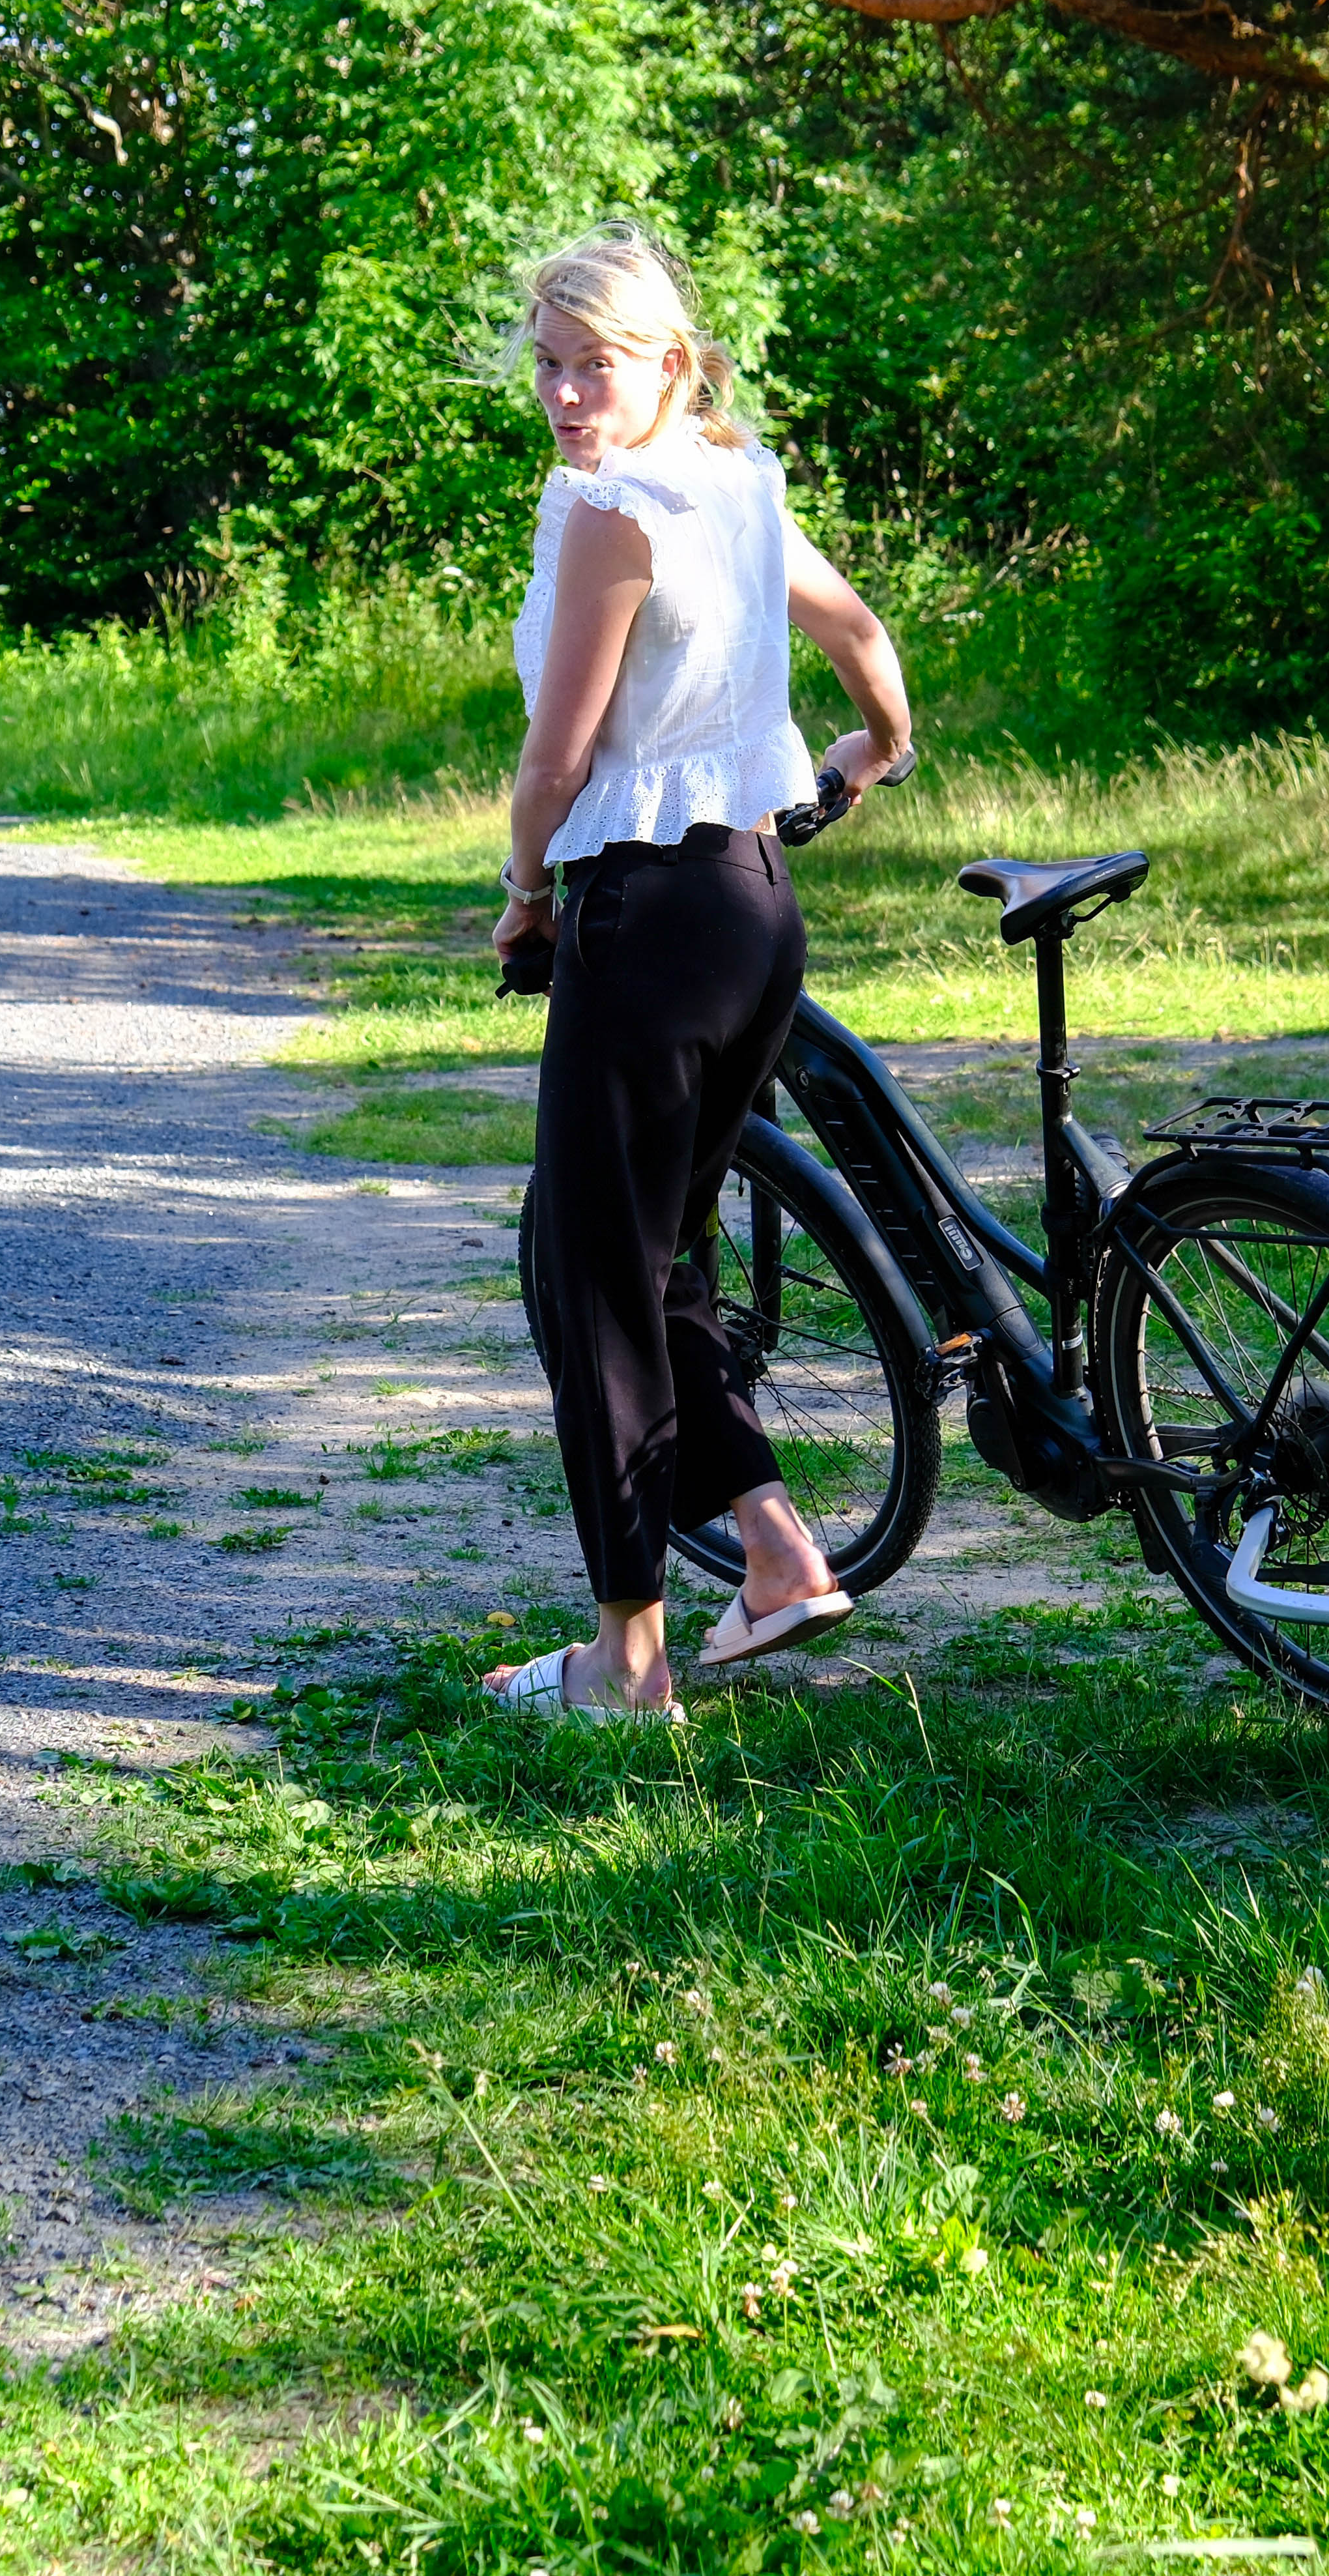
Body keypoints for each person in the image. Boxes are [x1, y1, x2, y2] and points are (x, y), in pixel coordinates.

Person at [479, 225, 916, 1723]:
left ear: (672, 360)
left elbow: (561, 755)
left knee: (591, 1280)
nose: (561, 392)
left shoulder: (606, 507)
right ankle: (782, 1553)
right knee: (654, 1255)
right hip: (756, 909)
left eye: (591, 361)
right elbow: (860, 633)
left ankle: (627, 1659)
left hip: (650, 915)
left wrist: (525, 892)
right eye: (544, 365)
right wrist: (879, 746)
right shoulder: (739, 481)